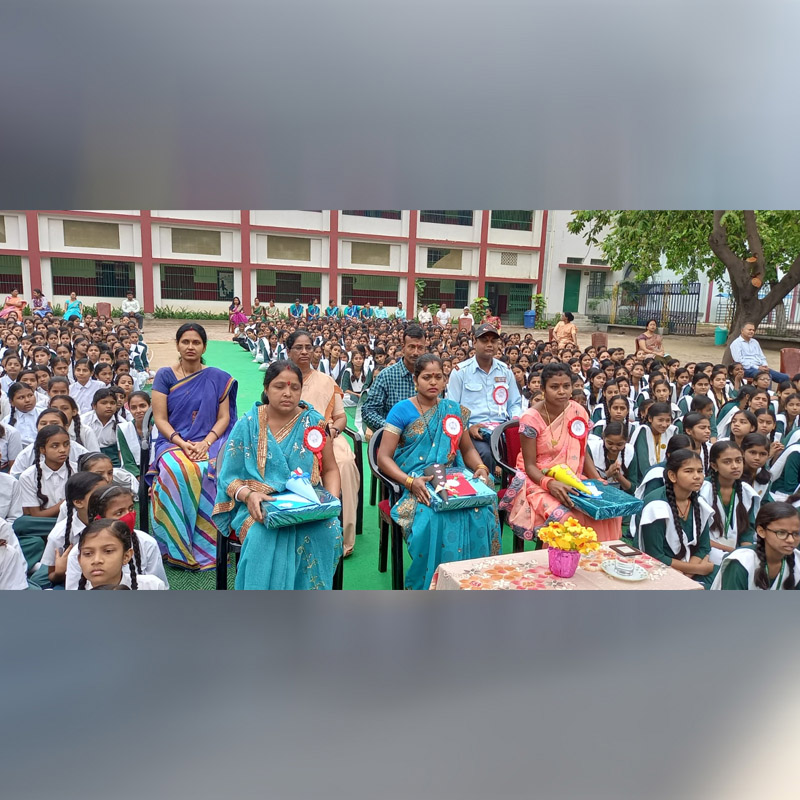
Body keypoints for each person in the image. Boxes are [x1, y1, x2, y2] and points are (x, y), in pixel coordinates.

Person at [212, 361, 342, 589]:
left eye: (294, 388)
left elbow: (330, 469)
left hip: (307, 506)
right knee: (264, 538)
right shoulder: (249, 424)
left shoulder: (314, 423)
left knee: (328, 531)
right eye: (279, 386)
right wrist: (248, 495)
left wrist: (328, 504)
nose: (287, 393)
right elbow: (228, 477)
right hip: (259, 506)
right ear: (266, 388)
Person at [377, 354, 500, 590]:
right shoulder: (401, 410)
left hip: (454, 478)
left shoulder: (452, 409)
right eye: (426, 377)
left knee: (481, 510)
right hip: (417, 482)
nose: (433, 382)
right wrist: (410, 482)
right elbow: (383, 457)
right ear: (415, 380)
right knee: (434, 517)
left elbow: (468, 449)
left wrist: (481, 468)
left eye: (438, 377)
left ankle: (475, 580)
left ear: (445, 380)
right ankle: (435, 585)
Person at [148, 323, 237, 571]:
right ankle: (178, 544)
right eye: (185, 342)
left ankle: (210, 545)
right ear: (177, 345)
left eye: (196, 342)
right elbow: (160, 419)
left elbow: (223, 419)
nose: (190, 347)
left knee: (214, 469)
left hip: (210, 441)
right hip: (173, 441)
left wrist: (206, 442)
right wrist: (182, 443)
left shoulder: (217, 377)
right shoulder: (165, 375)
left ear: (204, 346)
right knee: (178, 471)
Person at [499, 363, 621, 544]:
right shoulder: (531, 418)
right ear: (543, 389)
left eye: (566, 386)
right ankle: (559, 565)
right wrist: (551, 484)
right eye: (554, 387)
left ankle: (594, 564)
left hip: (573, 477)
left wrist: (596, 480)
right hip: (536, 481)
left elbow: (582, 450)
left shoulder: (578, 411)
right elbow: (530, 465)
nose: (561, 391)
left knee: (608, 511)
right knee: (567, 519)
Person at [286, 330, 360, 558]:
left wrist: (335, 430)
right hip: (289, 437)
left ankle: (343, 537)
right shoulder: (281, 377)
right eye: (299, 347)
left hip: (326, 436)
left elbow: (340, 416)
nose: (305, 352)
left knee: (346, 462)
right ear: (288, 351)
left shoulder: (326, 381)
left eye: (309, 347)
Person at [446, 323, 521, 470]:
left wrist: (513, 423)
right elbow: (452, 409)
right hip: (474, 432)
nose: (489, 345)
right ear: (474, 342)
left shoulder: (505, 371)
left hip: (502, 428)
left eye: (493, 341)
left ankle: (514, 489)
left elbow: (515, 404)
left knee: (520, 449)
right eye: (484, 340)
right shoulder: (461, 372)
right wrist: (468, 428)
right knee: (486, 454)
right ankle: (488, 488)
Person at [362, 324, 426, 433]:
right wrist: (392, 428)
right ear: (403, 347)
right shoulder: (386, 375)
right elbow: (368, 411)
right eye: (411, 347)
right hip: (394, 441)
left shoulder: (430, 376)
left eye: (420, 348)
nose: (416, 352)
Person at [74, 519, 167, 590]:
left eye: (108, 551)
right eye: (88, 553)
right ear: (79, 560)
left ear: (126, 556)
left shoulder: (152, 586)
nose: (97, 560)